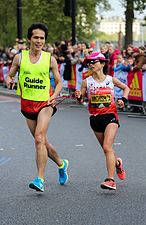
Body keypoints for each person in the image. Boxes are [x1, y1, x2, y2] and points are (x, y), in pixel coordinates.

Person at [6, 22, 69, 192]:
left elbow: (58, 83)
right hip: (27, 103)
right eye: (36, 37)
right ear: (29, 39)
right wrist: (9, 80)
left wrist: (53, 97)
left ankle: (39, 179)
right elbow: (9, 75)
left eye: (42, 38)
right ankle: (62, 164)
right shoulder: (20, 58)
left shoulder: (50, 59)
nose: (39, 41)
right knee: (43, 142)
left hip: (45, 103)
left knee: (39, 137)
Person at [75, 52, 130, 190]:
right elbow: (80, 100)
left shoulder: (110, 80)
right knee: (108, 149)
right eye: (89, 62)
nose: (91, 64)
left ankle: (110, 180)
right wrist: (79, 96)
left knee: (107, 147)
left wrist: (123, 99)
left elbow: (126, 88)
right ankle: (117, 163)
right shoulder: (86, 81)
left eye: (94, 62)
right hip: (95, 119)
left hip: (110, 117)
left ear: (103, 64)